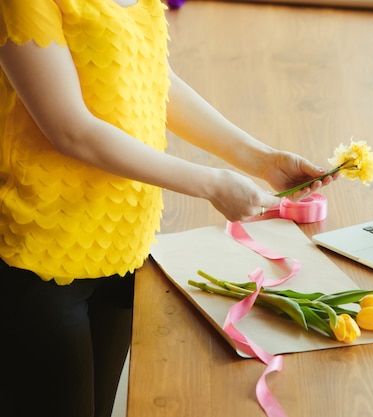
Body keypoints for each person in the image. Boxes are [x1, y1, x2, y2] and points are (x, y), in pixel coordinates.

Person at [0, 1, 335, 416]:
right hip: (41, 254)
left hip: (122, 244)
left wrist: (261, 159)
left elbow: (156, 78)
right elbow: (71, 131)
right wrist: (211, 183)